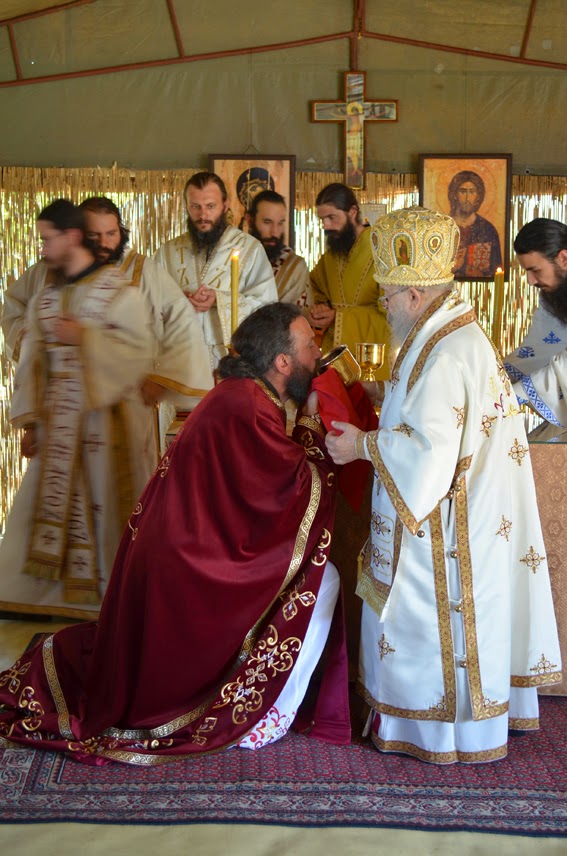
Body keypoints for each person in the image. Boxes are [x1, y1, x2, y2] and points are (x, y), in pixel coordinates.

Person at [0, 303, 351, 764]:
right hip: (190, 567)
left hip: (186, 554)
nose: (317, 353)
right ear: (282, 362)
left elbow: (260, 494)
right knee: (321, 580)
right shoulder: (246, 406)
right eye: (309, 346)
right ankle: (260, 717)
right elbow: (294, 488)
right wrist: (311, 423)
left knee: (317, 577)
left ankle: (263, 701)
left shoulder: (244, 395)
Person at [325, 205, 561, 764]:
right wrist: (385, 397)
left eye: (386, 295)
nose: (383, 306)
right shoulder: (447, 331)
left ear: (413, 294)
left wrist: (360, 445)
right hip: (469, 515)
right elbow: (433, 419)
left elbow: (427, 457)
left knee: (425, 618)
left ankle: (436, 730)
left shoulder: (445, 350)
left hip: (445, 528)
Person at [0, 200, 154, 619]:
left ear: (70, 237)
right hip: (57, 426)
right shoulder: (45, 299)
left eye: (47, 240)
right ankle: (39, 600)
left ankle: (108, 600)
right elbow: (32, 361)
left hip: (107, 425)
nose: (43, 250)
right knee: (42, 509)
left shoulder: (119, 292)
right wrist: (31, 422)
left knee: (107, 510)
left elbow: (139, 354)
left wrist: (87, 338)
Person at [1, 195, 212, 438]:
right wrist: (34, 340)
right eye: (94, 235)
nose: (104, 244)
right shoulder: (48, 271)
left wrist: (162, 377)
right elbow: (14, 308)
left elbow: (182, 320)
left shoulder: (142, 270)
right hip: (62, 408)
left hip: (126, 404)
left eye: (111, 234)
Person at [154, 172, 278, 386]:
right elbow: (150, 304)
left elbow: (267, 308)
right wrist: (176, 300)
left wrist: (219, 300)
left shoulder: (250, 249)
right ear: (186, 206)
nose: (203, 215)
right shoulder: (167, 252)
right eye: (195, 207)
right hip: (180, 362)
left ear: (225, 205)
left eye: (210, 206)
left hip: (230, 363)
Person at [307, 183, 390, 378]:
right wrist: (322, 309)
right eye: (322, 219)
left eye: (331, 217)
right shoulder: (332, 255)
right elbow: (316, 286)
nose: (326, 226)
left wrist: (339, 317)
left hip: (372, 356)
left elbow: (391, 313)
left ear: (352, 212)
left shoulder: (381, 251)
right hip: (333, 354)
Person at [504, 218, 567, 440]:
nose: (530, 281)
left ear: (564, 258)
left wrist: (516, 394)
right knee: (533, 448)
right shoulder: (553, 294)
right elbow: (538, 349)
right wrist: (497, 376)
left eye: (535, 270)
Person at [247, 189, 310, 307]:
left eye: (280, 223)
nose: (275, 232)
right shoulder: (232, 257)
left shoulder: (294, 267)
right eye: (267, 222)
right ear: (250, 221)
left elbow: (294, 315)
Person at [448, 170, 502, 279]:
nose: (467, 198)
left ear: (478, 197)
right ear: (454, 195)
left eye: (472, 192)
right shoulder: (444, 227)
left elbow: (496, 270)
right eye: (463, 192)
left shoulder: (488, 230)